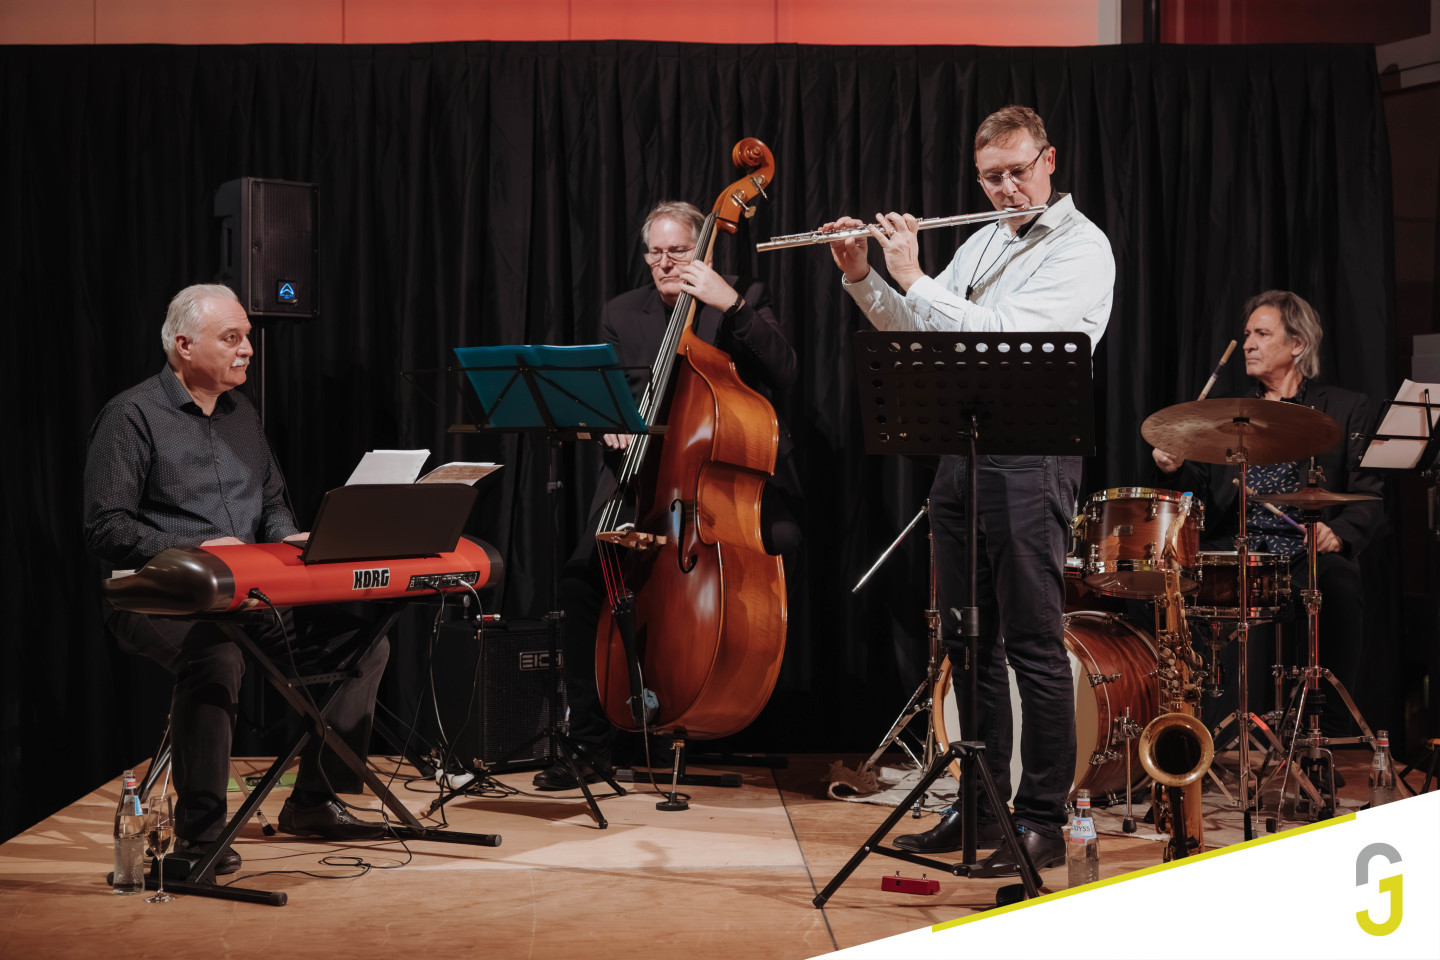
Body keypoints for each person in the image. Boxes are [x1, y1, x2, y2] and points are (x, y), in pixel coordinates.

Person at [825, 105, 1115, 876]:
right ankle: (981, 806)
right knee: (967, 640)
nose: (1007, 188)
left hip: (1034, 454)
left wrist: (917, 276)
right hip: (965, 451)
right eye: (991, 178)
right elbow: (918, 333)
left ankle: (1041, 820)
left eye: (1019, 171)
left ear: (1049, 160)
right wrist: (863, 276)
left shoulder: (1083, 248)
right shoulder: (983, 241)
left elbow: (1010, 337)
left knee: (1033, 643)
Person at [84, 284, 388, 875]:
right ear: (184, 345)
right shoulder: (131, 416)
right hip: (155, 597)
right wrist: (194, 548)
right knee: (216, 655)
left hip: (247, 593)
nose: (248, 348)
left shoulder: (242, 415)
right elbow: (106, 527)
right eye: (232, 338)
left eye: (247, 337)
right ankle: (200, 839)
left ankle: (313, 800)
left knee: (362, 643)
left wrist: (291, 536)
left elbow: (270, 504)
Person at [532, 201, 800, 789]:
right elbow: (605, 399)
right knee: (580, 583)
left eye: (677, 251)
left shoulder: (741, 295)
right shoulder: (620, 312)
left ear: (702, 249)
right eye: (654, 252)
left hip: (714, 489)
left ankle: (705, 706)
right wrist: (608, 423)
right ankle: (591, 745)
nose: (663, 263)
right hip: (635, 483)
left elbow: (784, 371)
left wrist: (731, 305)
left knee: (766, 552)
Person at [1152, 290, 1384, 740]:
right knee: (1169, 586)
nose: (1248, 344)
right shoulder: (1228, 413)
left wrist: (1337, 533)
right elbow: (1196, 493)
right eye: (1246, 335)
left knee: (1339, 586)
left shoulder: (1346, 407)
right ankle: (1191, 732)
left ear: (1297, 344)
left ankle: (1326, 735)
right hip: (1236, 548)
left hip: (1303, 550)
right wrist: (1173, 466)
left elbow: (1369, 493)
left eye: (1261, 334)